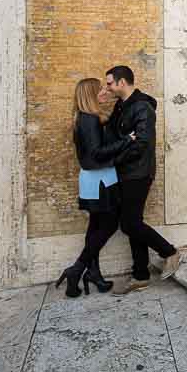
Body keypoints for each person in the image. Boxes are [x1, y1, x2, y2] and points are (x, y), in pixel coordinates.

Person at [105, 65, 182, 293]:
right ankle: (140, 275)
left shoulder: (143, 108)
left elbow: (141, 143)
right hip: (123, 172)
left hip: (138, 173)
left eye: (109, 83)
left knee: (129, 223)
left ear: (122, 82)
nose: (107, 87)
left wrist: (116, 156)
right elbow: (111, 136)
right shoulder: (120, 106)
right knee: (132, 222)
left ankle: (170, 252)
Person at [55, 78, 132, 298]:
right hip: (99, 181)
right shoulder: (88, 119)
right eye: (99, 89)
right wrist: (127, 140)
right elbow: (97, 153)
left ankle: (93, 273)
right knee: (109, 225)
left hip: (97, 179)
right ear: (90, 94)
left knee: (96, 226)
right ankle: (77, 269)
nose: (104, 91)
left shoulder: (87, 117)